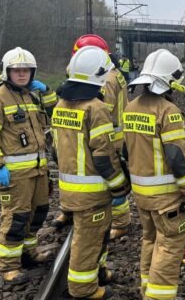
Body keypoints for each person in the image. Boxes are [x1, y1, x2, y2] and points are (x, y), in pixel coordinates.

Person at [53, 46, 129, 299]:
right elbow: (103, 156)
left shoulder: (61, 104)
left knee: (97, 236)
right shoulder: (96, 108)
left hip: (70, 189)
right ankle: (83, 289)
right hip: (93, 192)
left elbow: (56, 149)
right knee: (87, 242)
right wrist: (120, 186)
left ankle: (98, 272)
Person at [123, 49, 185, 299]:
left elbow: (127, 150)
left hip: (142, 195)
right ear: (168, 80)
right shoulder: (168, 111)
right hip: (166, 198)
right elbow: (177, 159)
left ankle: (146, 288)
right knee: (169, 246)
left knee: (150, 240)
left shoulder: (131, 106)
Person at [0, 47, 56, 284]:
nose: (22, 75)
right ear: (7, 72)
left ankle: (29, 253)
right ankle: (9, 266)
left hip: (38, 170)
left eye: (26, 71)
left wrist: (48, 92)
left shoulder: (31, 96)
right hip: (15, 174)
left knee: (37, 214)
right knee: (16, 218)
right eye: (17, 71)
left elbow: (54, 113)